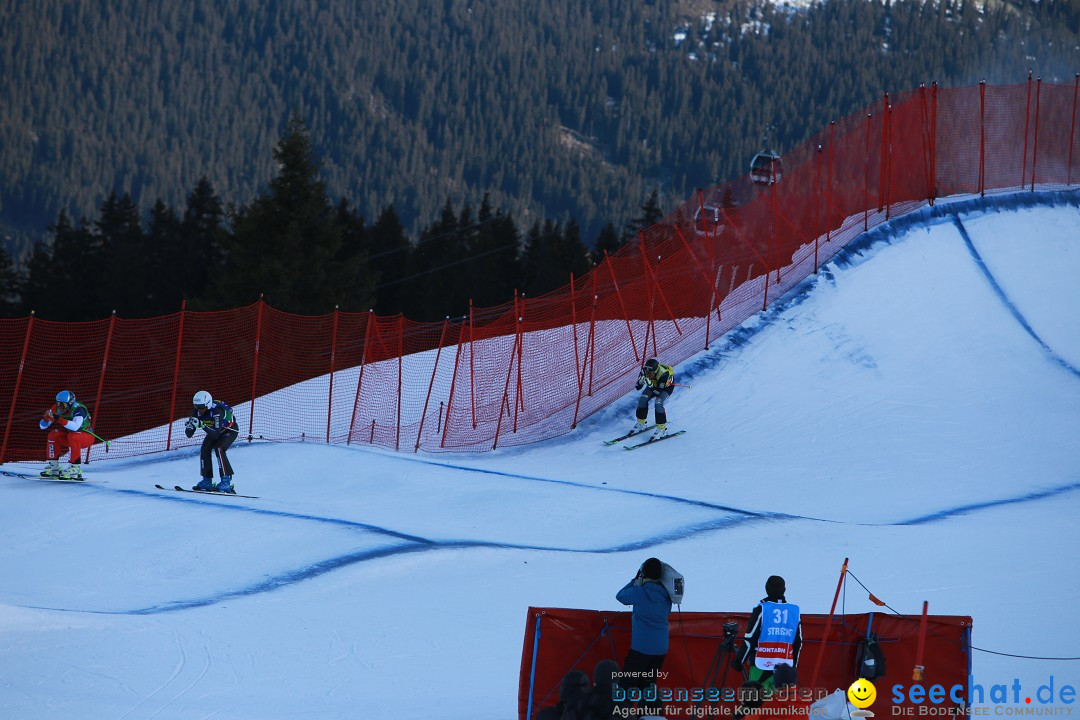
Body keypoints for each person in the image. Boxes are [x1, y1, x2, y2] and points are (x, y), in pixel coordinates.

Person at [615, 557, 672, 713]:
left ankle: (621, 715)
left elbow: (620, 596)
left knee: (625, 687)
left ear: (644, 573)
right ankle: (647, 716)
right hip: (660, 650)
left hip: (641, 650)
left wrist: (635, 580)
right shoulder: (667, 596)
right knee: (647, 687)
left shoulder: (640, 592)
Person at [733, 575, 802, 693]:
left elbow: (750, 639)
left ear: (766, 589)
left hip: (760, 667)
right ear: (784, 590)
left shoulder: (762, 610)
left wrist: (739, 661)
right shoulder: (794, 611)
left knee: (755, 706)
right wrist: (793, 667)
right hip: (783, 671)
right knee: (779, 708)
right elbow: (798, 643)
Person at [185, 390, 241, 493]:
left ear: (208, 404)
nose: (199, 410)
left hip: (229, 430)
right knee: (205, 449)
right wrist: (190, 426)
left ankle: (226, 482)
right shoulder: (196, 411)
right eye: (197, 406)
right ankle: (207, 480)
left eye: (201, 407)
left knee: (219, 449)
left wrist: (202, 425)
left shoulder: (216, 411)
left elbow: (216, 434)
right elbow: (189, 434)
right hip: (213, 430)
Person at [38, 390, 95, 479]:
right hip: (70, 437)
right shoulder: (56, 408)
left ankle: (74, 468)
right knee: (53, 435)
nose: (60, 408)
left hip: (86, 437)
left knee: (74, 436)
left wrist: (60, 419)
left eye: (63, 405)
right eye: (59, 404)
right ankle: (53, 467)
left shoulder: (79, 409)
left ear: (70, 403)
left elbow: (76, 427)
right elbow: (42, 427)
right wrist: (45, 419)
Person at [631, 358, 676, 439]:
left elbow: (658, 392)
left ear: (655, 371)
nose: (648, 374)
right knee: (642, 399)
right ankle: (641, 423)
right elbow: (638, 387)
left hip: (666, 387)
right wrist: (640, 382)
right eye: (647, 372)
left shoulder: (663, 374)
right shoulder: (644, 371)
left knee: (658, 403)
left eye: (650, 372)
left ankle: (662, 429)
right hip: (653, 384)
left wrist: (649, 383)